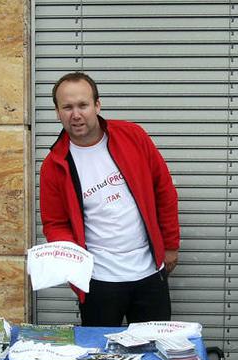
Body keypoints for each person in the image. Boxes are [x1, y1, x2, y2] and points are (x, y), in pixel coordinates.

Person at [39, 71, 180, 326]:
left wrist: (170, 245)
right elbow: (55, 223)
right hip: (98, 281)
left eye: (83, 105)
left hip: (149, 273)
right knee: (99, 350)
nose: (76, 114)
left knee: (153, 349)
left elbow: (164, 190)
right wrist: (74, 266)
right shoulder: (54, 164)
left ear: (97, 105)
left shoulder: (133, 136)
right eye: (67, 107)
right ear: (57, 112)